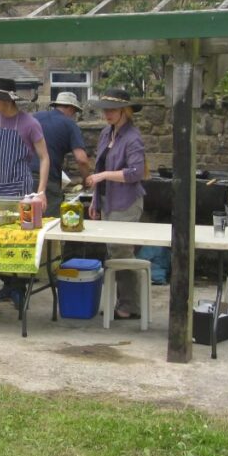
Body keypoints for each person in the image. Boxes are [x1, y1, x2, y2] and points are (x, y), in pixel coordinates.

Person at [0, 78, 50, 304]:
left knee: (19, 240)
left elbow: (44, 158)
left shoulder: (29, 124)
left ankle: (19, 286)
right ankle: (8, 284)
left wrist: (40, 191)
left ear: (6, 100)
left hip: (20, 189)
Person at [85, 88, 148, 320]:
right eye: (105, 110)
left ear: (124, 111)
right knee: (114, 252)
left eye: (112, 110)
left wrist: (102, 177)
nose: (107, 114)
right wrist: (95, 200)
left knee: (122, 252)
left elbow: (135, 173)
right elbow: (99, 168)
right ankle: (125, 302)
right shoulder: (106, 134)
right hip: (108, 201)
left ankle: (131, 305)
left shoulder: (133, 137)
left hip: (127, 202)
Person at [31, 91, 91, 213]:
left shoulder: (34, 117)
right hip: (48, 180)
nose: (74, 115)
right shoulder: (69, 124)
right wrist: (86, 181)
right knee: (49, 223)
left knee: (25, 221)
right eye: (74, 112)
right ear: (70, 108)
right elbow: (82, 159)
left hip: (21, 178)